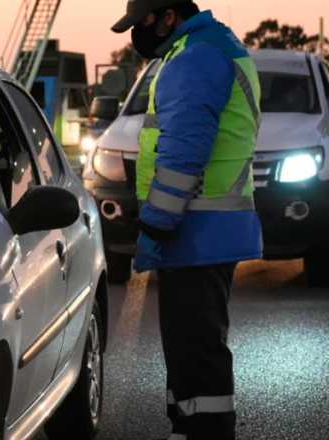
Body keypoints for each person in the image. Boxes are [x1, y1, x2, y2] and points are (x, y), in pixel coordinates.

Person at [110, 1, 263, 439]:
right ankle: (188, 428)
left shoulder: (196, 57)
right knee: (188, 347)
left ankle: (206, 432)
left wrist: (156, 224)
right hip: (205, 228)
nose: (135, 34)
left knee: (195, 351)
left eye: (140, 24)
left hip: (197, 230)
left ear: (169, 17)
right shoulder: (208, 48)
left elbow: (183, 153)